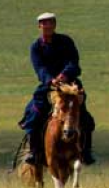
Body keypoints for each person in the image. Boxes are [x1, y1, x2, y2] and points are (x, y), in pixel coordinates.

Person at [18, 12, 95, 165]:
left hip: (70, 85)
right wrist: (50, 80)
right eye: (44, 23)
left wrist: (64, 75)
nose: (47, 26)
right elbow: (39, 68)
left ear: (55, 24)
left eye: (50, 22)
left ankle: (86, 151)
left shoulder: (66, 41)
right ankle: (34, 151)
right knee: (34, 113)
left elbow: (73, 62)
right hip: (49, 86)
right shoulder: (36, 47)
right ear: (39, 26)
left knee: (85, 118)